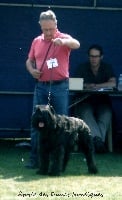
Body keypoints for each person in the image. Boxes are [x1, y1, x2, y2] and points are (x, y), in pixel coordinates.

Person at [25, 10, 80, 168]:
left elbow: (77, 44)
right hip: (41, 87)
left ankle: (59, 161)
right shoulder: (36, 41)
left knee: (61, 125)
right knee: (37, 124)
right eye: (45, 29)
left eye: (51, 29)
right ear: (40, 26)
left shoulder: (63, 38)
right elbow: (29, 61)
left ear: (56, 25)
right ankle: (35, 159)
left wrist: (63, 43)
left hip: (60, 87)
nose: (48, 33)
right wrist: (32, 70)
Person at [75, 44, 116, 153]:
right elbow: (74, 84)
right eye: (91, 56)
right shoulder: (82, 67)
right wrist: (87, 86)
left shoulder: (106, 67)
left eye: (96, 56)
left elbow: (113, 83)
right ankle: (99, 142)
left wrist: (97, 86)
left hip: (102, 102)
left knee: (106, 114)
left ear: (101, 57)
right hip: (84, 101)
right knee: (86, 113)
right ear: (88, 56)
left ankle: (96, 142)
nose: (94, 59)